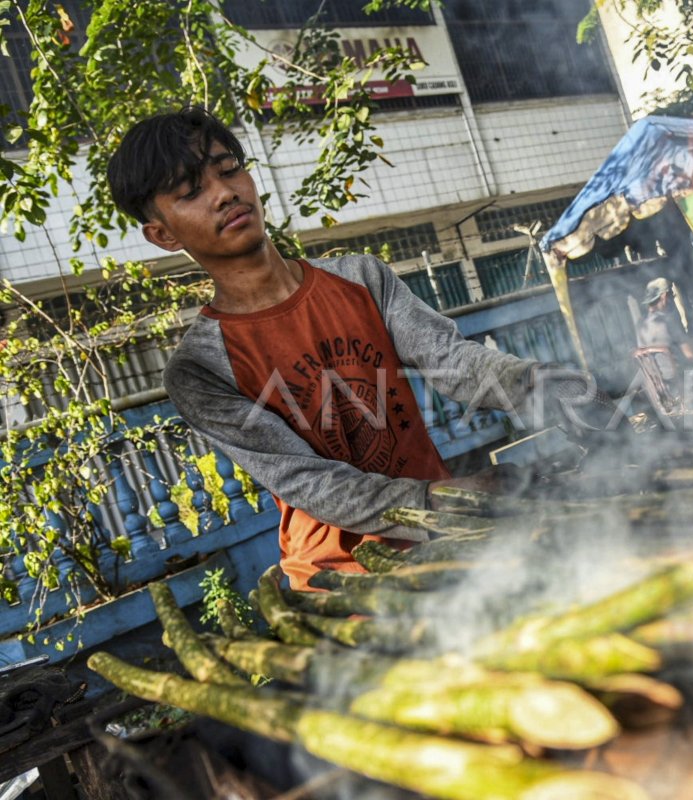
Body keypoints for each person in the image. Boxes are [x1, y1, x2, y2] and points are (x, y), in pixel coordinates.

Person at [107, 107, 610, 590]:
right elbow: (311, 483)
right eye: (192, 191)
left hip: (456, 539)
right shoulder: (199, 370)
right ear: (162, 234)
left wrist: (543, 385)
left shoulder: (362, 279)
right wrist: (450, 496)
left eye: (229, 170)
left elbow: (455, 361)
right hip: (344, 582)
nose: (224, 194)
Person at [636, 277, 693, 390]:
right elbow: (690, 355)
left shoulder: (640, 325)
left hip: (659, 386)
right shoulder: (668, 321)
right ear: (664, 296)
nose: (672, 300)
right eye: (671, 296)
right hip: (681, 381)